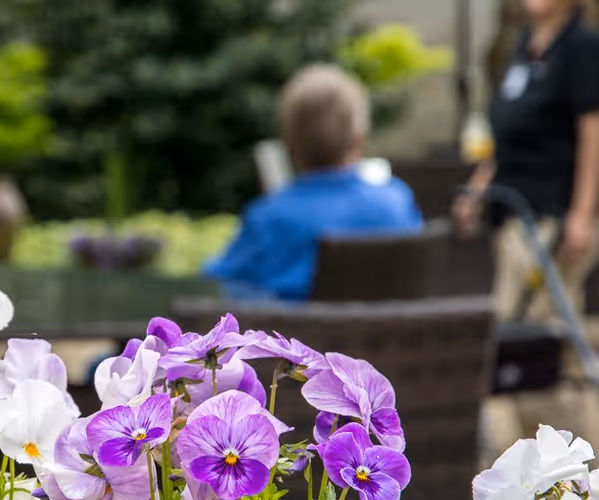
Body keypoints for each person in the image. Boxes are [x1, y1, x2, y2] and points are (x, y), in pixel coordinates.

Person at [453, 0, 599, 448]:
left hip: (550, 226)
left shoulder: (581, 48)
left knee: (539, 348)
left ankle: (575, 464)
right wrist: (479, 188)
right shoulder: (523, 46)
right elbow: (507, 136)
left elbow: (593, 134)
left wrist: (581, 215)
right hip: (513, 223)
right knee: (529, 350)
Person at [203, 65, 422, 300]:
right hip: (386, 336)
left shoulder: (268, 217)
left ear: (289, 145)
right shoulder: (396, 203)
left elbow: (216, 283)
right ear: (360, 139)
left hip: (298, 335)